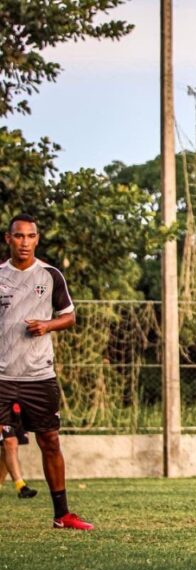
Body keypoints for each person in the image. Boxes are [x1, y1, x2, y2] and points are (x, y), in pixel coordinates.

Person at [0, 214, 91, 529]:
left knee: (50, 440)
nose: (24, 242)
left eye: (30, 236)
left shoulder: (51, 275)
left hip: (39, 376)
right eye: (18, 236)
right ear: (8, 239)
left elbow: (69, 316)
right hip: (1, 375)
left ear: (37, 239)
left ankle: (62, 515)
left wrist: (47, 325)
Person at [1, 402, 37, 498]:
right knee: (10, 442)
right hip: (3, 404)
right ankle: (21, 486)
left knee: (7, 448)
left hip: (18, 408)